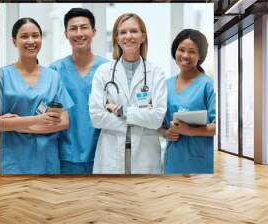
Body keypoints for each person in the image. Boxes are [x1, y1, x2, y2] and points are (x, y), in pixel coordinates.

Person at [89, 13, 167, 174]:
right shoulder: (103, 72)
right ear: (117, 38)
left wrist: (121, 111)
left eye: (134, 31)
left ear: (143, 36)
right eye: (123, 32)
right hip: (110, 153)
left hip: (145, 154)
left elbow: (157, 118)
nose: (128, 36)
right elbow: (96, 117)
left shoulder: (156, 73)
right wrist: (143, 117)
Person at [0, 18, 73, 174]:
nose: (31, 41)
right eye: (24, 36)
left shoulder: (53, 77)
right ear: (14, 41)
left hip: (46, 159)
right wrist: (37, 120)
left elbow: (64, 122)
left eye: (36, 35)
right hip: (13, 159)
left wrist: (17, 125)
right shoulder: (3, 76)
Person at [49, 8, 108, 174]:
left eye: (84, 27)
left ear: (94, 31)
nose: (79, 33)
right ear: (66, 33)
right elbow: (46, 108)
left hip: (102, 151)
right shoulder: (55, 70)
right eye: (73, 28)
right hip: (66, 154)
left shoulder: (107, 69)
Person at [160, 29, 216, 174]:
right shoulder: (165, 85)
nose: (185, 55)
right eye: (181, 50)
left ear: (200, 56)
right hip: (173, 160)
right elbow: (158, 123)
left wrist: (188, 130)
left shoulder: (207, 85)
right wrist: (165, 133)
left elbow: (217, 127)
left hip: (200, 161)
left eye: (192, 51)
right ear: (175, 51)